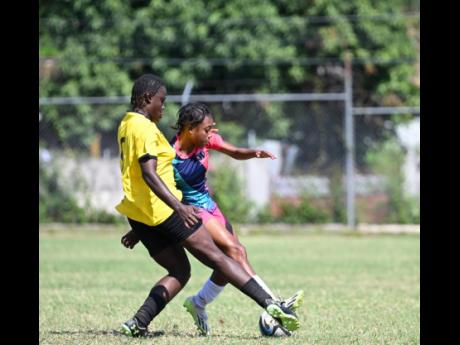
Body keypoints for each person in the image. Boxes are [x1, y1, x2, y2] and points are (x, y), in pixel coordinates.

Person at [115, 74, 299, 338]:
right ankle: (271, 304)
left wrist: (139, 228)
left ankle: (137, 323)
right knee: (220, 258)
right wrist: (179, 207)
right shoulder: (144, 127)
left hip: (142, 215)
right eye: (161, 100)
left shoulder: (126, 124)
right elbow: (148, 174)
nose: (163, 106)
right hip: (166, 211)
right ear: (147, 99)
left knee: (180, 271)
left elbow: (136, 175)